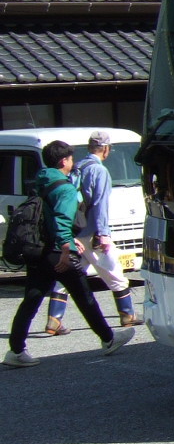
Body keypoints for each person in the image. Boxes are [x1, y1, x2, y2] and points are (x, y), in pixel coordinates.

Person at [6, 141, 137, 367]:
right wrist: (67, 247)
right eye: (70, 158)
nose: (72, 162)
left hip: (39, 249)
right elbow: (61, 220)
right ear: (63, 161)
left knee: (32, 298)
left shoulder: (42, 179)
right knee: (84, 295)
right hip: (57, 251)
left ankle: (15, 351)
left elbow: (46, 217)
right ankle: (108, 338)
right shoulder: (65, 188)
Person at [41, 130, 142, 335]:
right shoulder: (100, 171)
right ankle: (127, 314)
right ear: (106, 149)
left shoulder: (77, 167)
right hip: (92, 232)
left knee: (66, 277)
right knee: (114, 273)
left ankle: (54, 320)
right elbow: (100, 204)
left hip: (75, 231)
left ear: (89, 148)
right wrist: (103, 233)